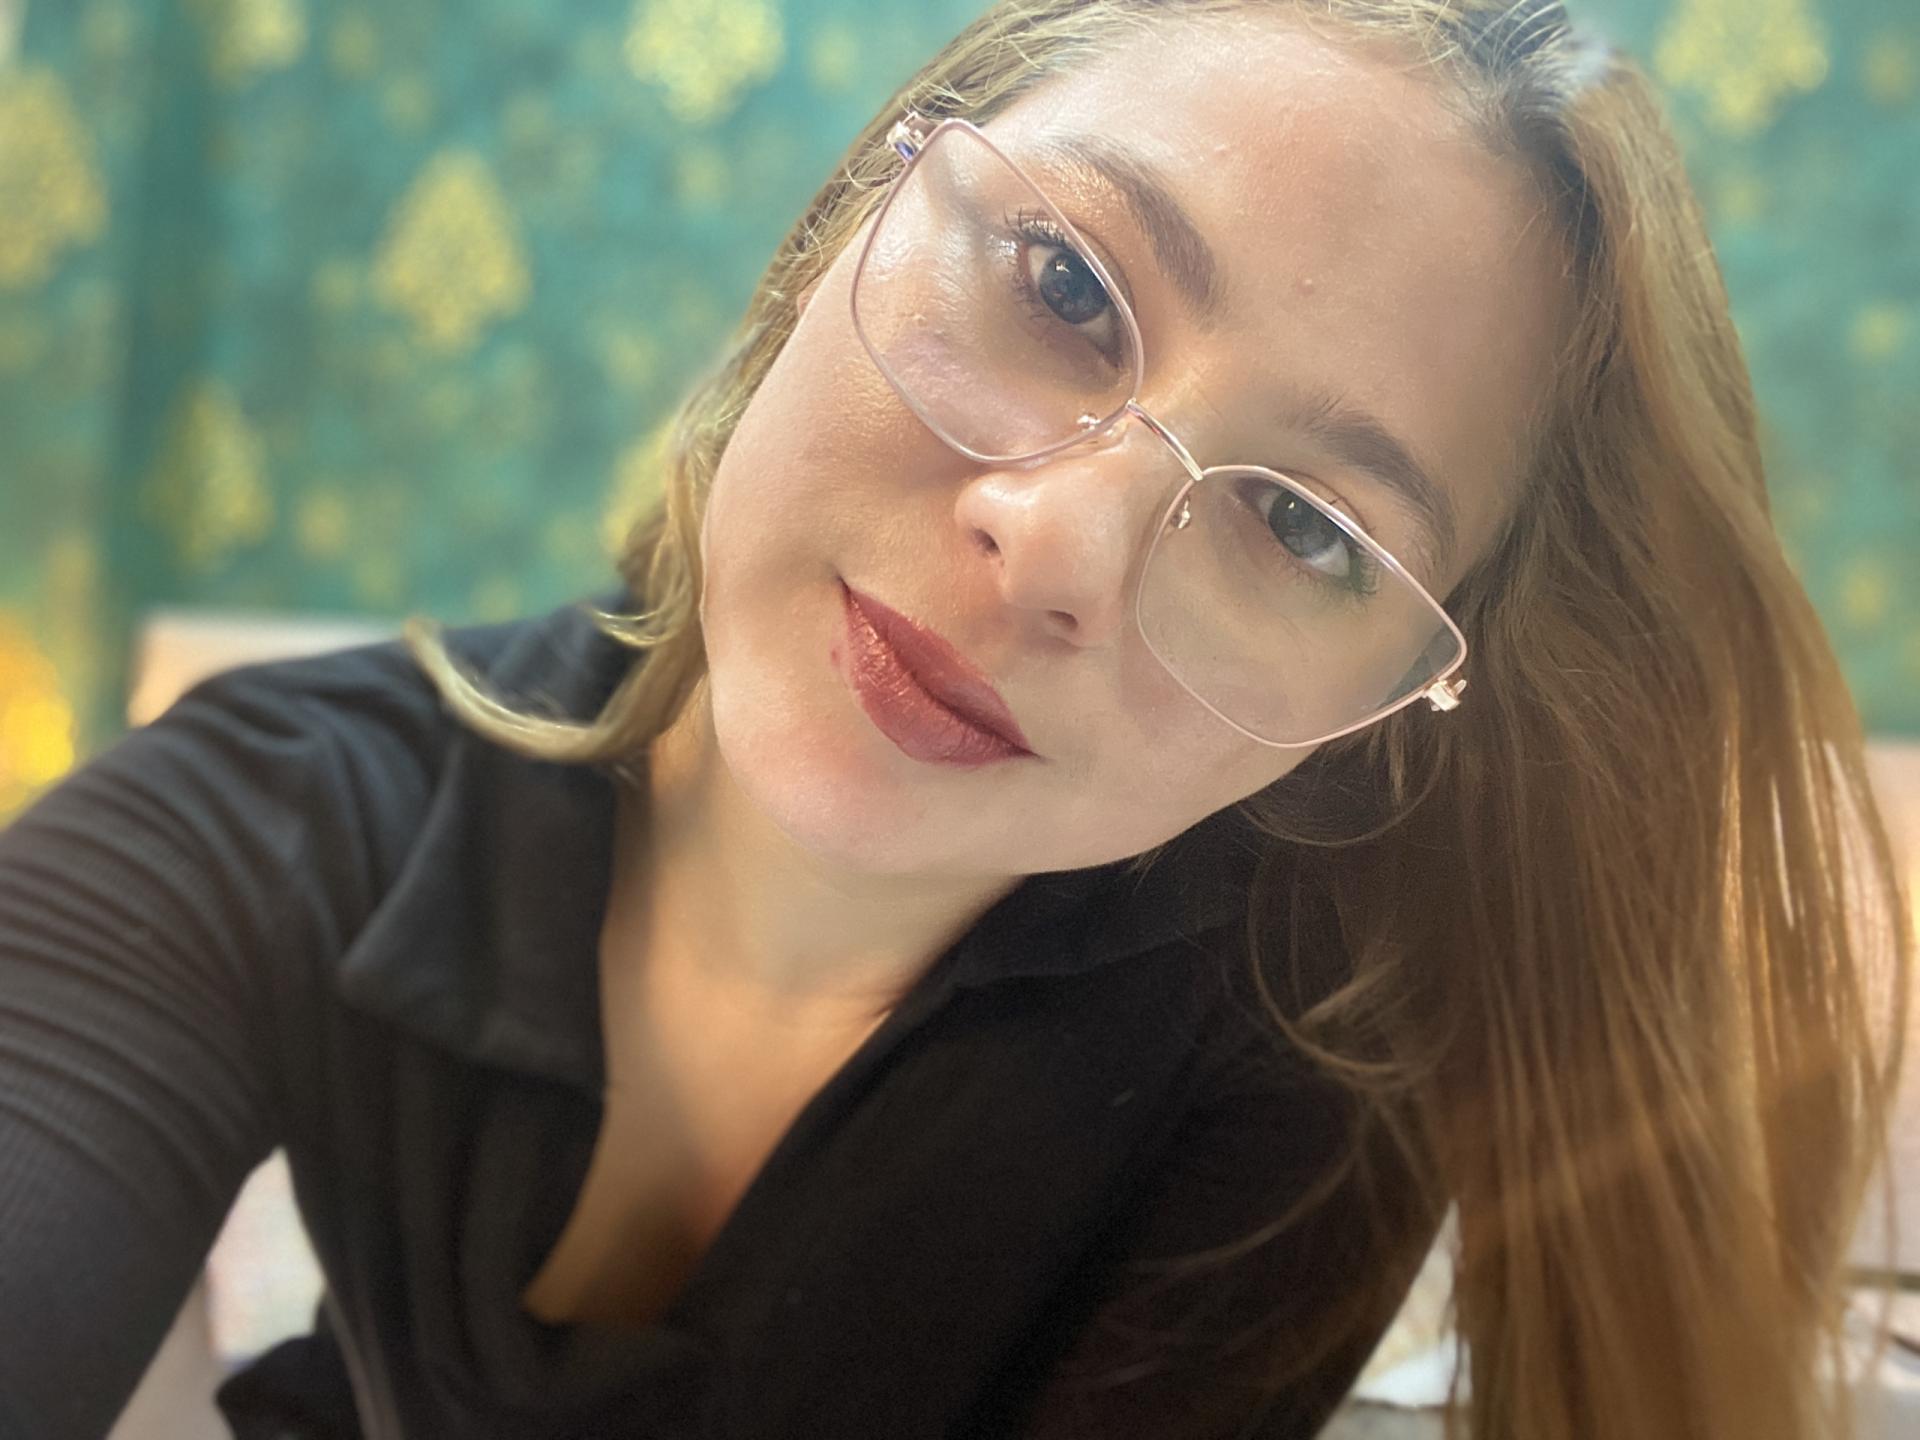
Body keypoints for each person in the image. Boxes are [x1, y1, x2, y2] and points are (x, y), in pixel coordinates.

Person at [0, 0, 1908, 1436]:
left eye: (1301, 529)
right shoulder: (260, 815)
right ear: (855, 211)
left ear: (1363, 717)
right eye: (1064, 282)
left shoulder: (1295, 1080)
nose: (1059, 547)